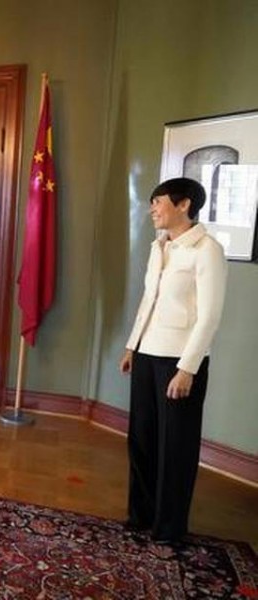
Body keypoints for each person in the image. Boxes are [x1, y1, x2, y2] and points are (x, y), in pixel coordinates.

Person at [119, 177, 227, 544]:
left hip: (179, 362)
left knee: (175, 447)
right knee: (142, 439)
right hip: (148, 354)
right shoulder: (159, 246)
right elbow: (149, 300)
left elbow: (210, 315)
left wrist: (187, 368)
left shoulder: (207, 249)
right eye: (151, 202)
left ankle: (169, 529)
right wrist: (132, 346)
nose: (152, 209)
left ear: (184, 205)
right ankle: (141, 515)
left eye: (158, 202)